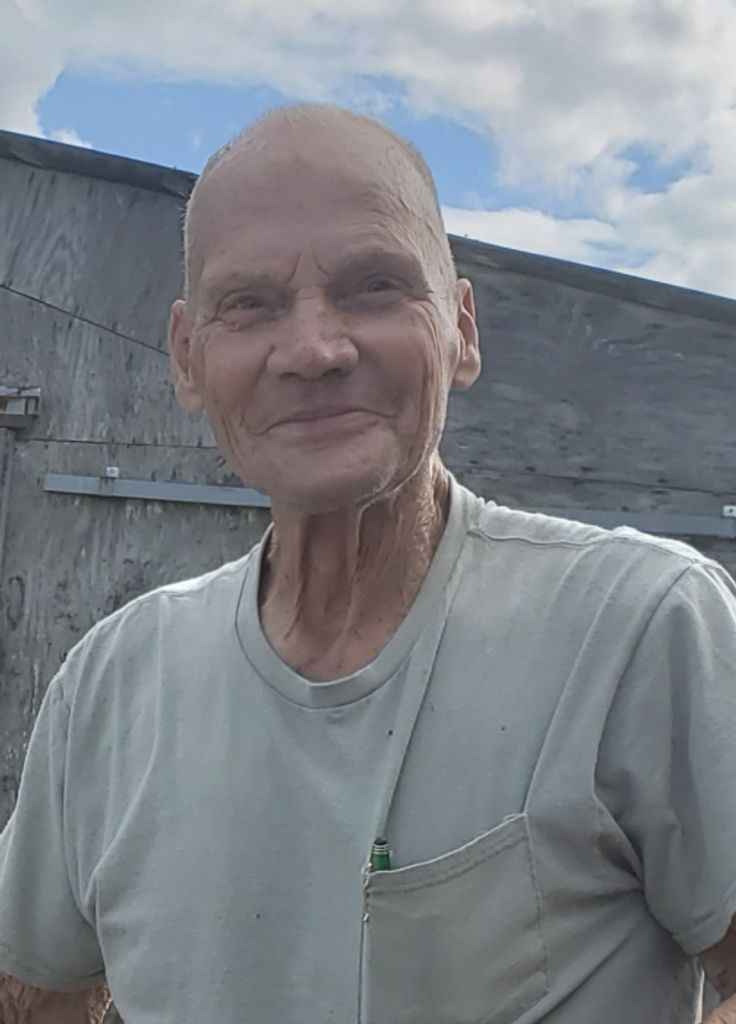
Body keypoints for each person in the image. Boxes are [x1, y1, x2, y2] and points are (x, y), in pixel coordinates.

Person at [0, 104, 735, 1024]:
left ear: (461, 330)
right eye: (250, 304)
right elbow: (33, 995)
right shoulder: (110, 685)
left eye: (375, 287)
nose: (314, 350)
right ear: (188, 358)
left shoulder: (642, 627)